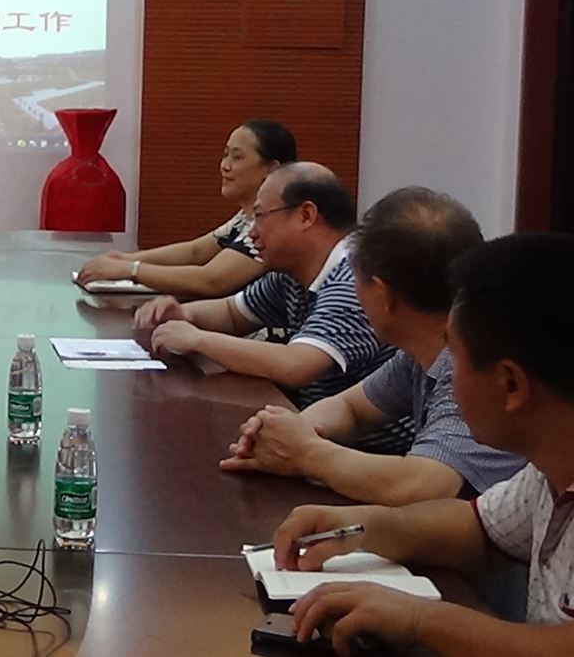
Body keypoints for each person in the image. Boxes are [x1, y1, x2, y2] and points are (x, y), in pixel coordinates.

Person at [273, 233, 574, 655]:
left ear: (511, 385)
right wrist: (360, 529)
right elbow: (479, 529)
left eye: (455, 356)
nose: (447, 373)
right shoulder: (547, 470)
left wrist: (419, 620)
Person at [219, 187, 523, 504]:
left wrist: (306, 452)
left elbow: (422, 484)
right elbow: (352, 409)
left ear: (381, 293)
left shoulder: (475, 365)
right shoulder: (420, 353)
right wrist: (287, 432)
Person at [135, 162, 409, 452]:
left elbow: (296, 365)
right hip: (320, 440)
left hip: (372, 457)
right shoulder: (293, 271)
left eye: (260, 217)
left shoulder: (354, 279)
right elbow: (233, 313)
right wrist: (185, 314)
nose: (252, 233)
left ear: (305, 215)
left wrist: (198, 340)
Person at [77, 119, 296, 298]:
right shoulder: (244, 218)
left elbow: (211, 280)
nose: (225, 165)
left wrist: (131, 269)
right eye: (225, 155)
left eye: (237, 157)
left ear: (271, 169)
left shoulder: (271, 225)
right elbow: (195, 251)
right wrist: (123, 259)